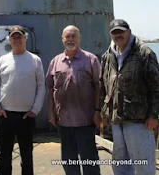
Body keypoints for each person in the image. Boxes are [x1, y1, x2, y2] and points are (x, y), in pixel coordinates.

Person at [100, 19, 159, 175]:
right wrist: (104, 112)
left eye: (121, 31)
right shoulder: (107, 56)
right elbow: (103, 85)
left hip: (139, 120)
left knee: (143, 164)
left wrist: (154, 115)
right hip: (116, 118)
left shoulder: (144, 53)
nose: (118, 35)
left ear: (129, 32)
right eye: (114, 32)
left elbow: (156, 87)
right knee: (120, 163)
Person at [0, 25, 45, 175]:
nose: (17, 39)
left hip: (26, 116)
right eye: (14, 37)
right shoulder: (2, 61)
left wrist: (35, 110)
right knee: (4, 154)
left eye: (19, 36)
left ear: (25, 38)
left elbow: (41, 86)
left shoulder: (35, 60)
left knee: (26, 154)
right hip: (5, 115)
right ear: (9, 40)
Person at [46, 25, 101, 175]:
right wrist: (51, 112)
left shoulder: (91, 60)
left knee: (89, 159)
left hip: (86, 120)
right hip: (63, 121)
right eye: (67, 36)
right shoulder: (55, 61)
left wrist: (98, 111)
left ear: (79, 38)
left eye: (73, 36)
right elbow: (51, 89)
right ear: (62, 39)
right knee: (69, 160)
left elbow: (99, 87)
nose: (70, 39)